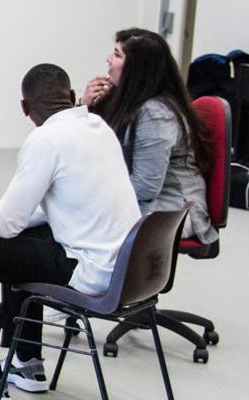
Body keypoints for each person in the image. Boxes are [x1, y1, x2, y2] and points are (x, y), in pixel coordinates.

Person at [0, 64, 141, 400]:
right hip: (123, 265)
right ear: (70, 97)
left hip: (88, 270)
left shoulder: (45, 140)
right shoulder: (97, 127)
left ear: (24, 107)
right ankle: (26, 362)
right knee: (25, 232)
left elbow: (8, 223)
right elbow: (31, 214)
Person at [82, 28, 217, 244]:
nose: (108, 59)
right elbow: (88, 149)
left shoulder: (156, 115)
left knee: (77, 218)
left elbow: (146, 187)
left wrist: (93, 194)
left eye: (117, 54)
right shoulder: (126, 100)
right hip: (148, 203)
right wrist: (85, 106)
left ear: (137, 69)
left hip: (173, 210)